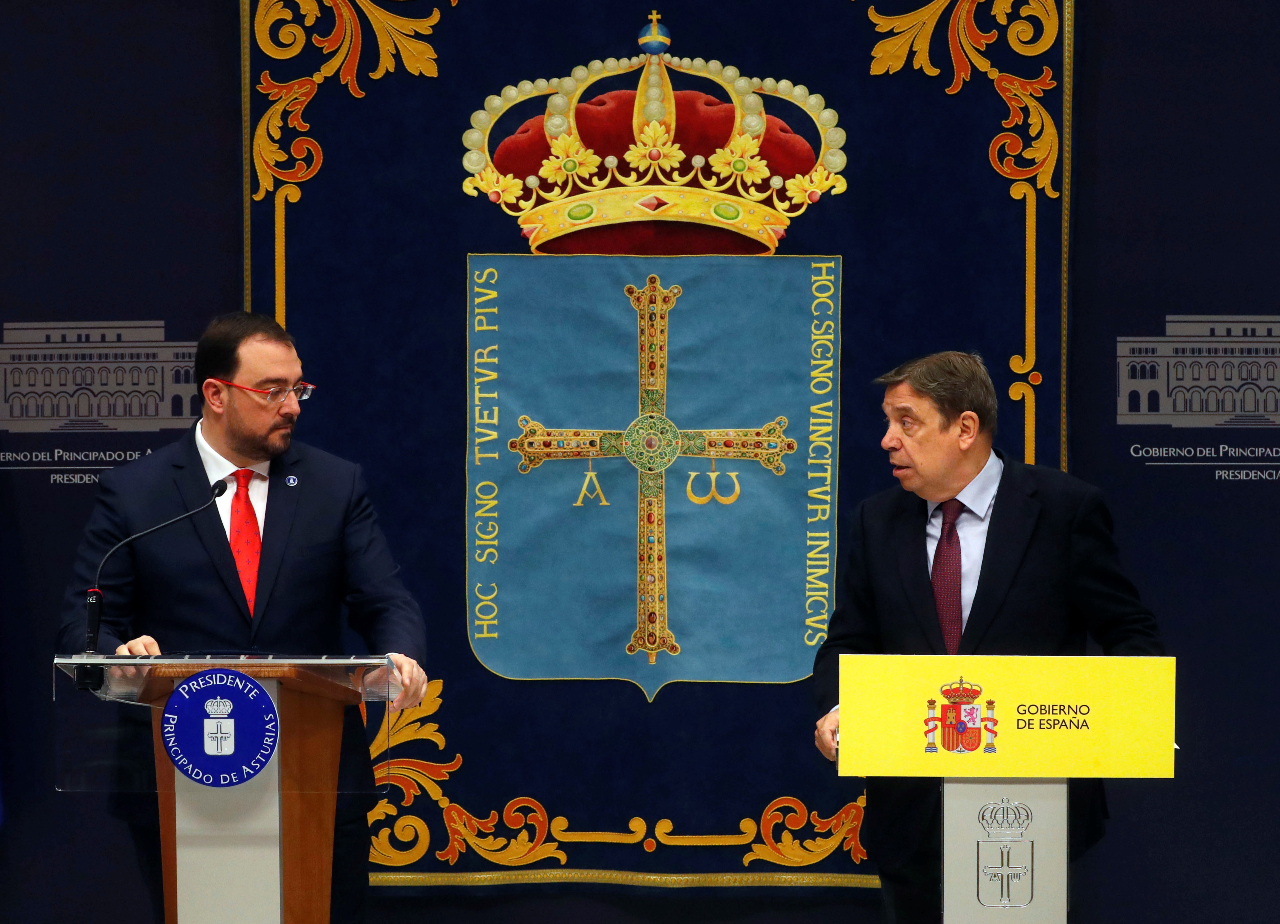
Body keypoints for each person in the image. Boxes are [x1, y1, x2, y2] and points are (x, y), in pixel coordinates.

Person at [57, 311, 428, 924]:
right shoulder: (137, 492)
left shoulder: (333, 486)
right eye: (272, 390)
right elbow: (84, 621)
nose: (293, 406)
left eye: (298, 388)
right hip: (176, 771)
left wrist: (399, 654)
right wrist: (118, 658)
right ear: (216, 394)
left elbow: (385, 600)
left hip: (313, 772)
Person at [811, 351, 1163, 923]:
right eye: (888, 422)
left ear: (965, 429)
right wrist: (838, 705)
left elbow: (1129, 632)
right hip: (912, 817)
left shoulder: (1063, 510)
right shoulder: (878, 521)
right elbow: (848, 640)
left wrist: (1120, 715)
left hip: (1035, 806)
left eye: (906, 422)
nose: (887, 440)